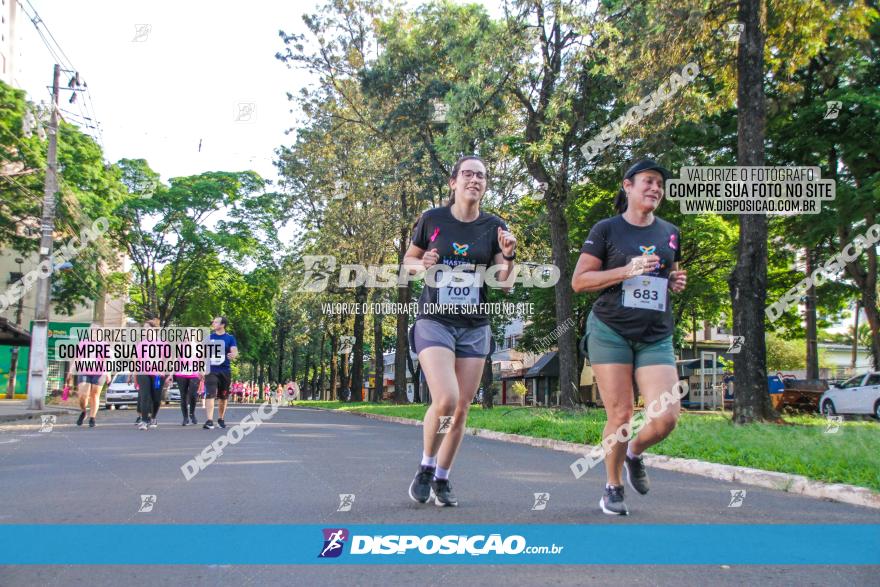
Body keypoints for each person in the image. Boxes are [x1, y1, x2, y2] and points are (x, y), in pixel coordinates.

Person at [571, 159, 688, 516]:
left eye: (660, 185)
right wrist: (625, 270)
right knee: (621, 413)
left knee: (666, 417)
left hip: (655, 334)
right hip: (611, 330)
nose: (655, 189)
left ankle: (634, 453)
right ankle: (612, 486)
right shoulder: (607, 230)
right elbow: (579, 281)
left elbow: (666, 275)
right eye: (648, 182)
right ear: (628, 186)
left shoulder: (670, 232)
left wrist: (674, 283)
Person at [402, 155, 516, 507]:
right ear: (453, 182)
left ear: (485, 185)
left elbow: (505, 285)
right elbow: (407, 265)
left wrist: (509, 257)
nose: (474, 180)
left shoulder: (494, 226)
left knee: (463, 407)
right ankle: (425, 465)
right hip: (434, 319)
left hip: (474, 325)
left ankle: (442, 478)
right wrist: (423, 264)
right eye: (467, 174)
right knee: (446, 399)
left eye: (480, 176)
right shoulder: (432, 219)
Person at [66, 327, 109, 428]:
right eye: (92, 332)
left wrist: (107, 373)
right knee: (82, 395)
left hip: (99, 372)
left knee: (94, 395)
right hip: (84, 370)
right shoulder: (83, 343)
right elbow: (77, 358)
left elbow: (106, 360)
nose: (94, 334)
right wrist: (71, 371)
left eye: (96, 332)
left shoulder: (103, 345)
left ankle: (92, 418)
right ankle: (84, 411)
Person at [203, 316, 238, 430]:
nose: (213, 323)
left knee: (223, 397)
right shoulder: (208, 338)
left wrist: (233, 354)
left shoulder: (230, 338)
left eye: (216, 322)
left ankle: (221, 419)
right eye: (213, 321)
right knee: (210, 394)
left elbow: (234, 351)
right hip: (211, 370)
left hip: (224, 371)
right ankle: (209, 420)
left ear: (222, 325)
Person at [134, 314, 168, 430]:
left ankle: (153, 416)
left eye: (147, 328)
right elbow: (137, 361)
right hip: (143, 372)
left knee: (156, 398)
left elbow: (166, 359)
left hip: (158, 374)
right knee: (144, 396)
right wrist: (134, 375)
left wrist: (164, 372)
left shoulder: (163, 343)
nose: (145, 330)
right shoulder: (140, 344)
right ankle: (144, 421)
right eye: (144, 329)